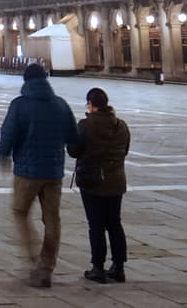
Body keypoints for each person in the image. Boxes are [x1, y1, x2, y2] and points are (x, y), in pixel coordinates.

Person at [0, 63, 79, 289]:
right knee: (53, 220)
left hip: (27, 171)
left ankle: (33, 259)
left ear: (26, 81)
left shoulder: (20, 105)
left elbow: (8, 133)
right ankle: (47, 266)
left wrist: (4, 155)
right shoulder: (61, 105)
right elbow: (73, 137)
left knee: (20, 212)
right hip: (54, 172)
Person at [67, 87, 131, 284]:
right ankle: (119, 267)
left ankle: (98, 268)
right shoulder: (121, 125)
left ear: (90, 104)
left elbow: (74, 150)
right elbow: (125, 150)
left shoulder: (86, 124)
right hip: (116, 181)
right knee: (114, 224)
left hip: (93, 180)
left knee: (96, 225)